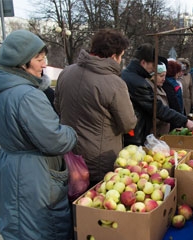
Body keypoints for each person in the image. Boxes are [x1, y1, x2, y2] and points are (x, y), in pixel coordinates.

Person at [0, 30, 77, 240]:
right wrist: (70, 131)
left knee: (22, 234)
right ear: (22, 62)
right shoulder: (27, 95)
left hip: (12, 167)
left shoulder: (0, 89)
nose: (44, 64)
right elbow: (55, 139)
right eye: (39, 59)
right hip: (35, 176)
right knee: (39, 237)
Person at [54, 28, 137, 187]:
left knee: (72, 198)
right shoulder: (114, 83)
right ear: (114, 56)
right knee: (94, 204)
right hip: (100, 160)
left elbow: (58, 107)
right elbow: (128, 123)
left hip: (69, 153)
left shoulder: (66, 73)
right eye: (121, 56)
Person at [121, 43, 193, 146]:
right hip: (135, 135)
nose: (154, 69)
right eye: (153, 65)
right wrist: (185, 121)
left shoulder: (129, 76)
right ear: (143, 63)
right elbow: (156, 108)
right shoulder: (138, 82)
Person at [146, 59, 170, 136]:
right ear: (152, 75)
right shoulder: (149, 89)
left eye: (165, 75)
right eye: (161, 76)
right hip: (154, 134)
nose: (164, 79)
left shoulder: (159, 88)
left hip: (161, 132)